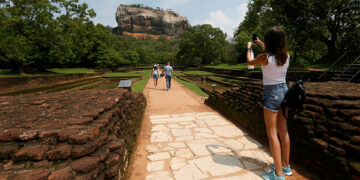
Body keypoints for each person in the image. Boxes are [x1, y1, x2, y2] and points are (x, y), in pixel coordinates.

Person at [247, 27, 291, 180]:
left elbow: (249, 62)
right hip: (285, 91)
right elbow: (273, 53)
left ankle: (278, 174)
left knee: (272, 133)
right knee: (283, 130)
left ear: (269, 42)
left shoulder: (264, 57)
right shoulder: (285, 56)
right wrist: (260, 44)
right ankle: (285, 166)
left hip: (271, 94)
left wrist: (248, 48)